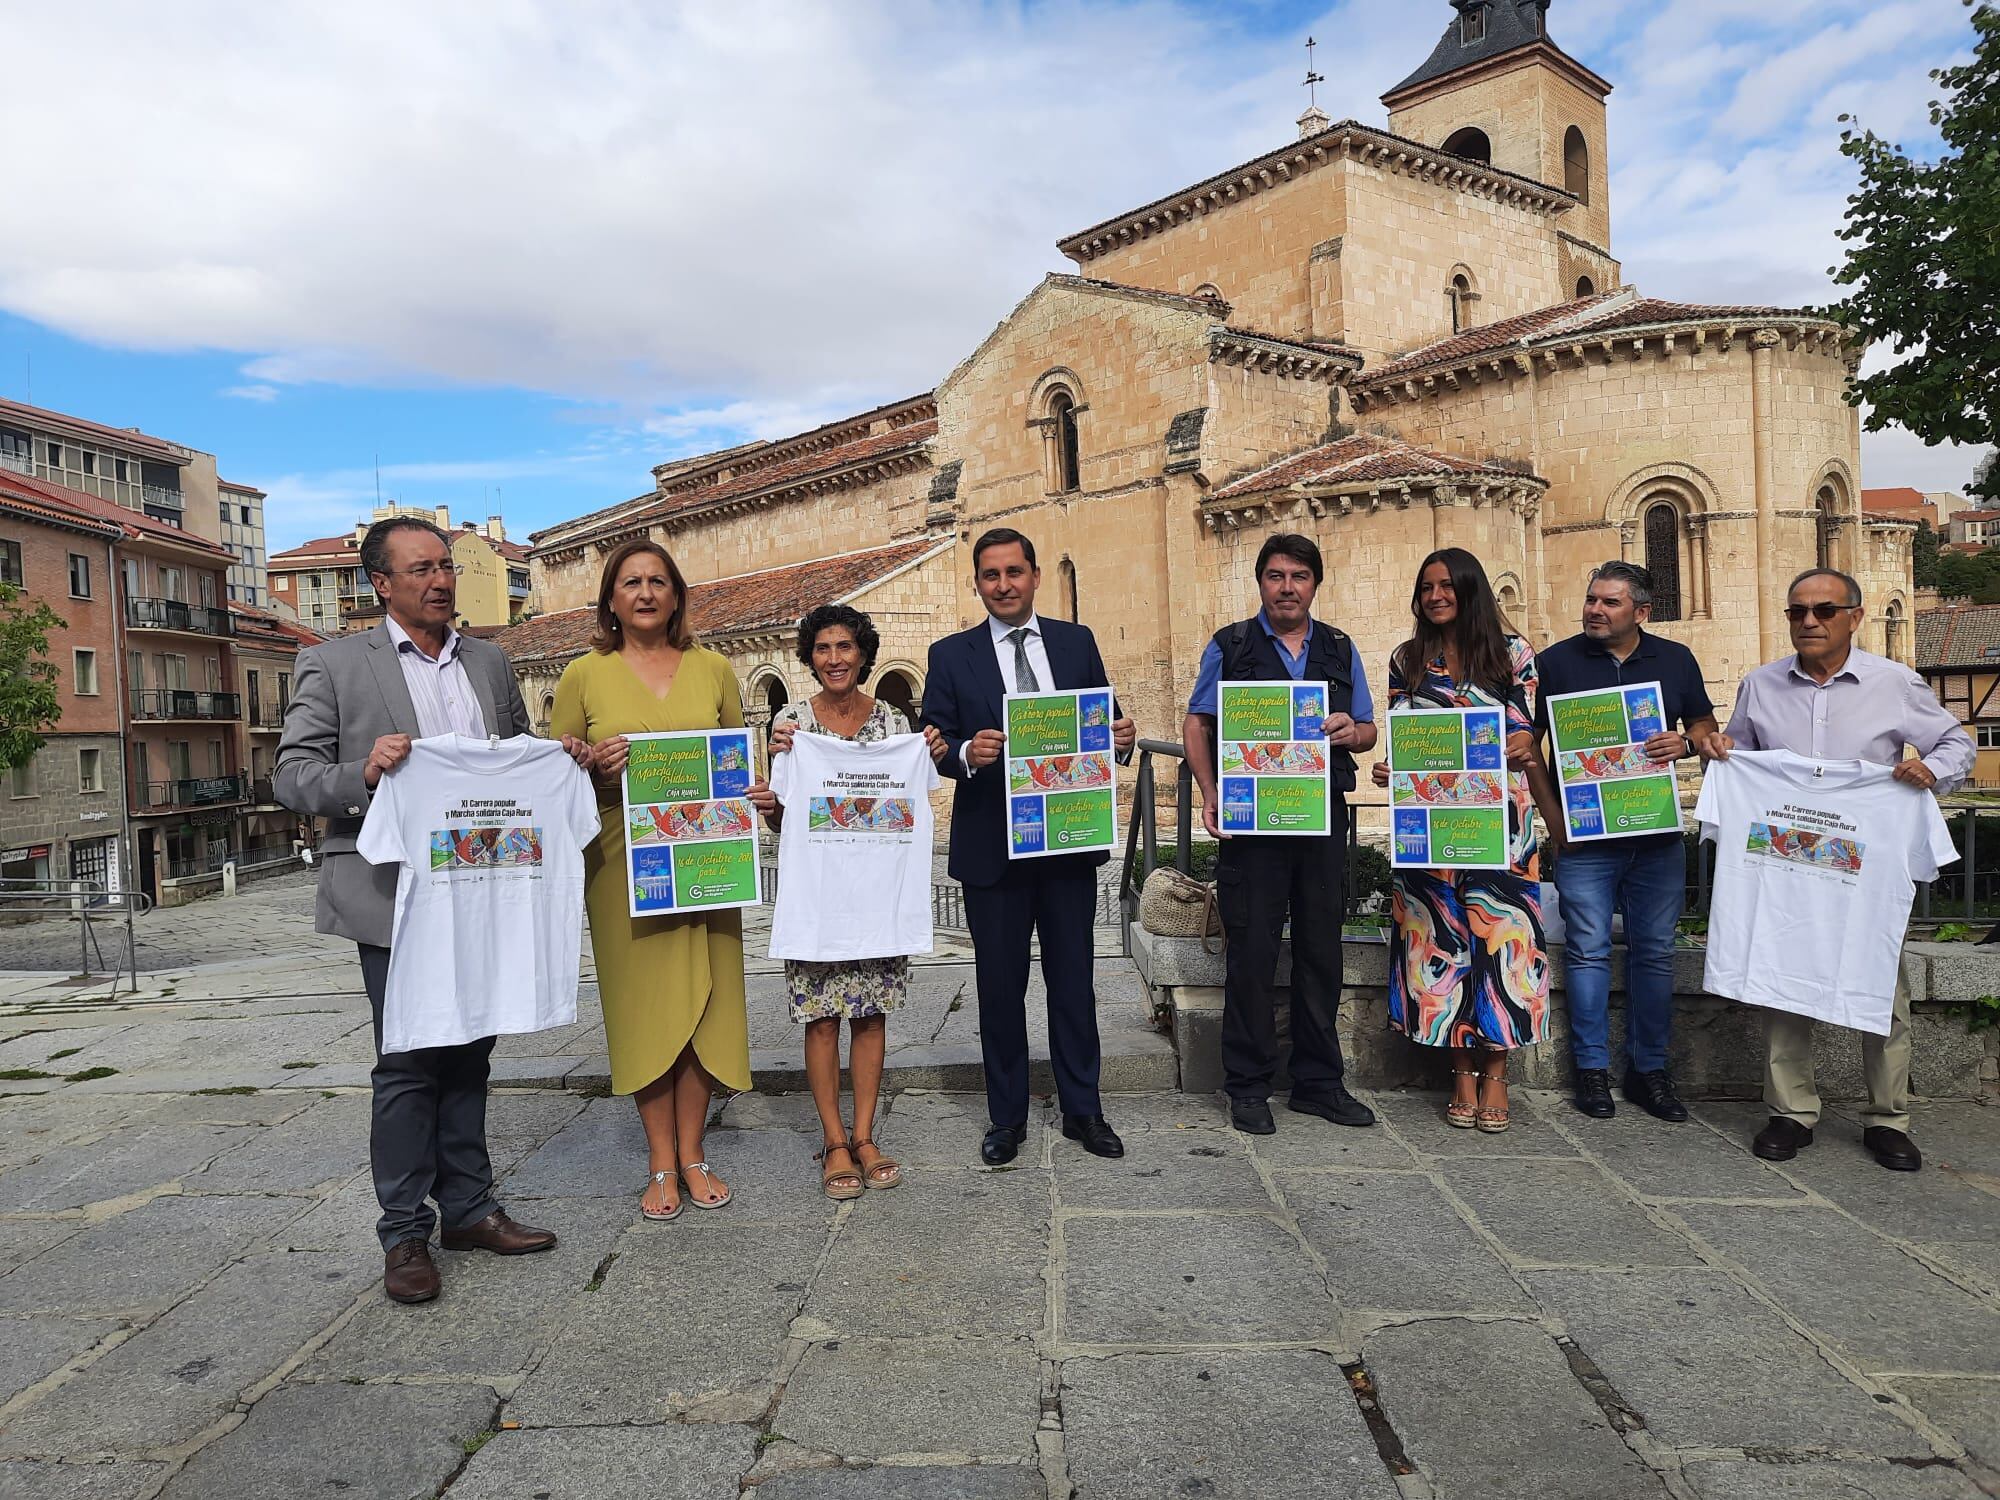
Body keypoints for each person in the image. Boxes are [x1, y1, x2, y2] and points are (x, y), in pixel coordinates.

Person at [277, 516, 586, 1304]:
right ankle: (404, 1234)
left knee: (471, 1054)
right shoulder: (336, 664)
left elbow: (515, 755)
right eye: (421, 569)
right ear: (381, 583)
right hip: (392, 896)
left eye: (445, 566)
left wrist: (562, 760)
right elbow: (293, 776)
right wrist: (365, 772)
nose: (441, 580)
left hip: (482, 893)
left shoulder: (489, 660)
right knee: (409, 1061)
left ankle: (471, 1209)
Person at [1699, 567, 1972, 1172]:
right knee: (1781, 979)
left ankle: (1888, 1118)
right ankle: (1791, 1112)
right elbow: (1741, 752)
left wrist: (1933, 771)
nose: (1809, 622)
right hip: (1785, 865)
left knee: (1883, 988)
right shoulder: (1760, 685)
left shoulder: (1894, 683)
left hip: (1860, 867)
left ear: (1855, 615)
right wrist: (1723, 750)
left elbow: (1956, 742)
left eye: (1823, 610)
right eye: (1797, 612)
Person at [551, 539, 754, 1220]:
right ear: (610, 598)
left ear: (676, 595)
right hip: (620, 864)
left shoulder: (716, 669)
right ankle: (659, 1163)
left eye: (658, 581)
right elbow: (558, 773)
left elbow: (737, 763)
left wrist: (756, 787)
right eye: (631, 582)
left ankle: (694, 1156)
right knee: (644, 1012)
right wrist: (591, 766)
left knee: (704, 1007)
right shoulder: (583, 674)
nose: (644, 592)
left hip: (708, 861)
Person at [921, 528, 1137, 1166]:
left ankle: (1084, 1110)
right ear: (978, 583)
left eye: (1014, 572)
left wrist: (1122, 737)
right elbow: (938, 744)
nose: (1004, 584)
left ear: (1036, 576)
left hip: (1068, 844)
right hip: (993, 846)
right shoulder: (951, 655)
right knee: (999, 986)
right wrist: (966, 753)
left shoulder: (1076, 643)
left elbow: (1106, 724)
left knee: (1074, 981)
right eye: (990, 575)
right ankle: (1005, 1117)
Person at [747, 603, 948, 1198]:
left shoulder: (893, 723)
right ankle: (834, 1141)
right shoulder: (791, 725)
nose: (835, 659)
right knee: (820, 1018)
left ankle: (865, 1135)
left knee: (870, 1014)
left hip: (877, 896)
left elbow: (914, 800)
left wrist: (927, 754)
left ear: (863, 653)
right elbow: (786, 817)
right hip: (819, 897)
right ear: (810, 657)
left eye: (845, 647)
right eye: (823, 649)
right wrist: (771, 794)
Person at [1182, 533, 1378, 1135]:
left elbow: (1370, 730)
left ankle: (1319, 1083)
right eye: (1275, 575)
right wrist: (1209, 791)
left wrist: (1352, 732)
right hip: (1252, 827)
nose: (1287, 587)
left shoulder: (1340, 649)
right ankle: (1247, 1086)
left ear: (1315, 584)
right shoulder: (1231, 645)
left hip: (1321, 822)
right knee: (1251, 953)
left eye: (1298, 576)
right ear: (1260, 582)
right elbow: (1197, 721)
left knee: (1321, 951)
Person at [1371, 547, 1564, 1133]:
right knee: (1441, 945)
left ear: (1470, 590)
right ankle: (1459, 1070)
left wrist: (1523, 750)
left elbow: (1526, 734)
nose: (1435, 596)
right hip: (1429, 833)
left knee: (1504, 943)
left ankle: (1497, 1072)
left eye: (1447, 586)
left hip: (1503, 825)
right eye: (1426, 587)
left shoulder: (1512, 657)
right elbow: (1408, 740)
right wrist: (1393, 771)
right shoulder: (1407, 661)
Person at [1534, 561, 1718, 1122]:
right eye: (1591, 599)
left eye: (1609, 602)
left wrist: (1684, 744)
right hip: (1586, 839)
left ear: (1641, 611)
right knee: (1587, 952)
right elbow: (1526, 747)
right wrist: (1555, 820)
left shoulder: (1675, 659)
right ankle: (1591, 1072)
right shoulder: (1554, 663)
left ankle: (1649, 1072)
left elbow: (1708, 730)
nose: (1594, 609)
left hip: (1656, 835)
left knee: (1655, 954)